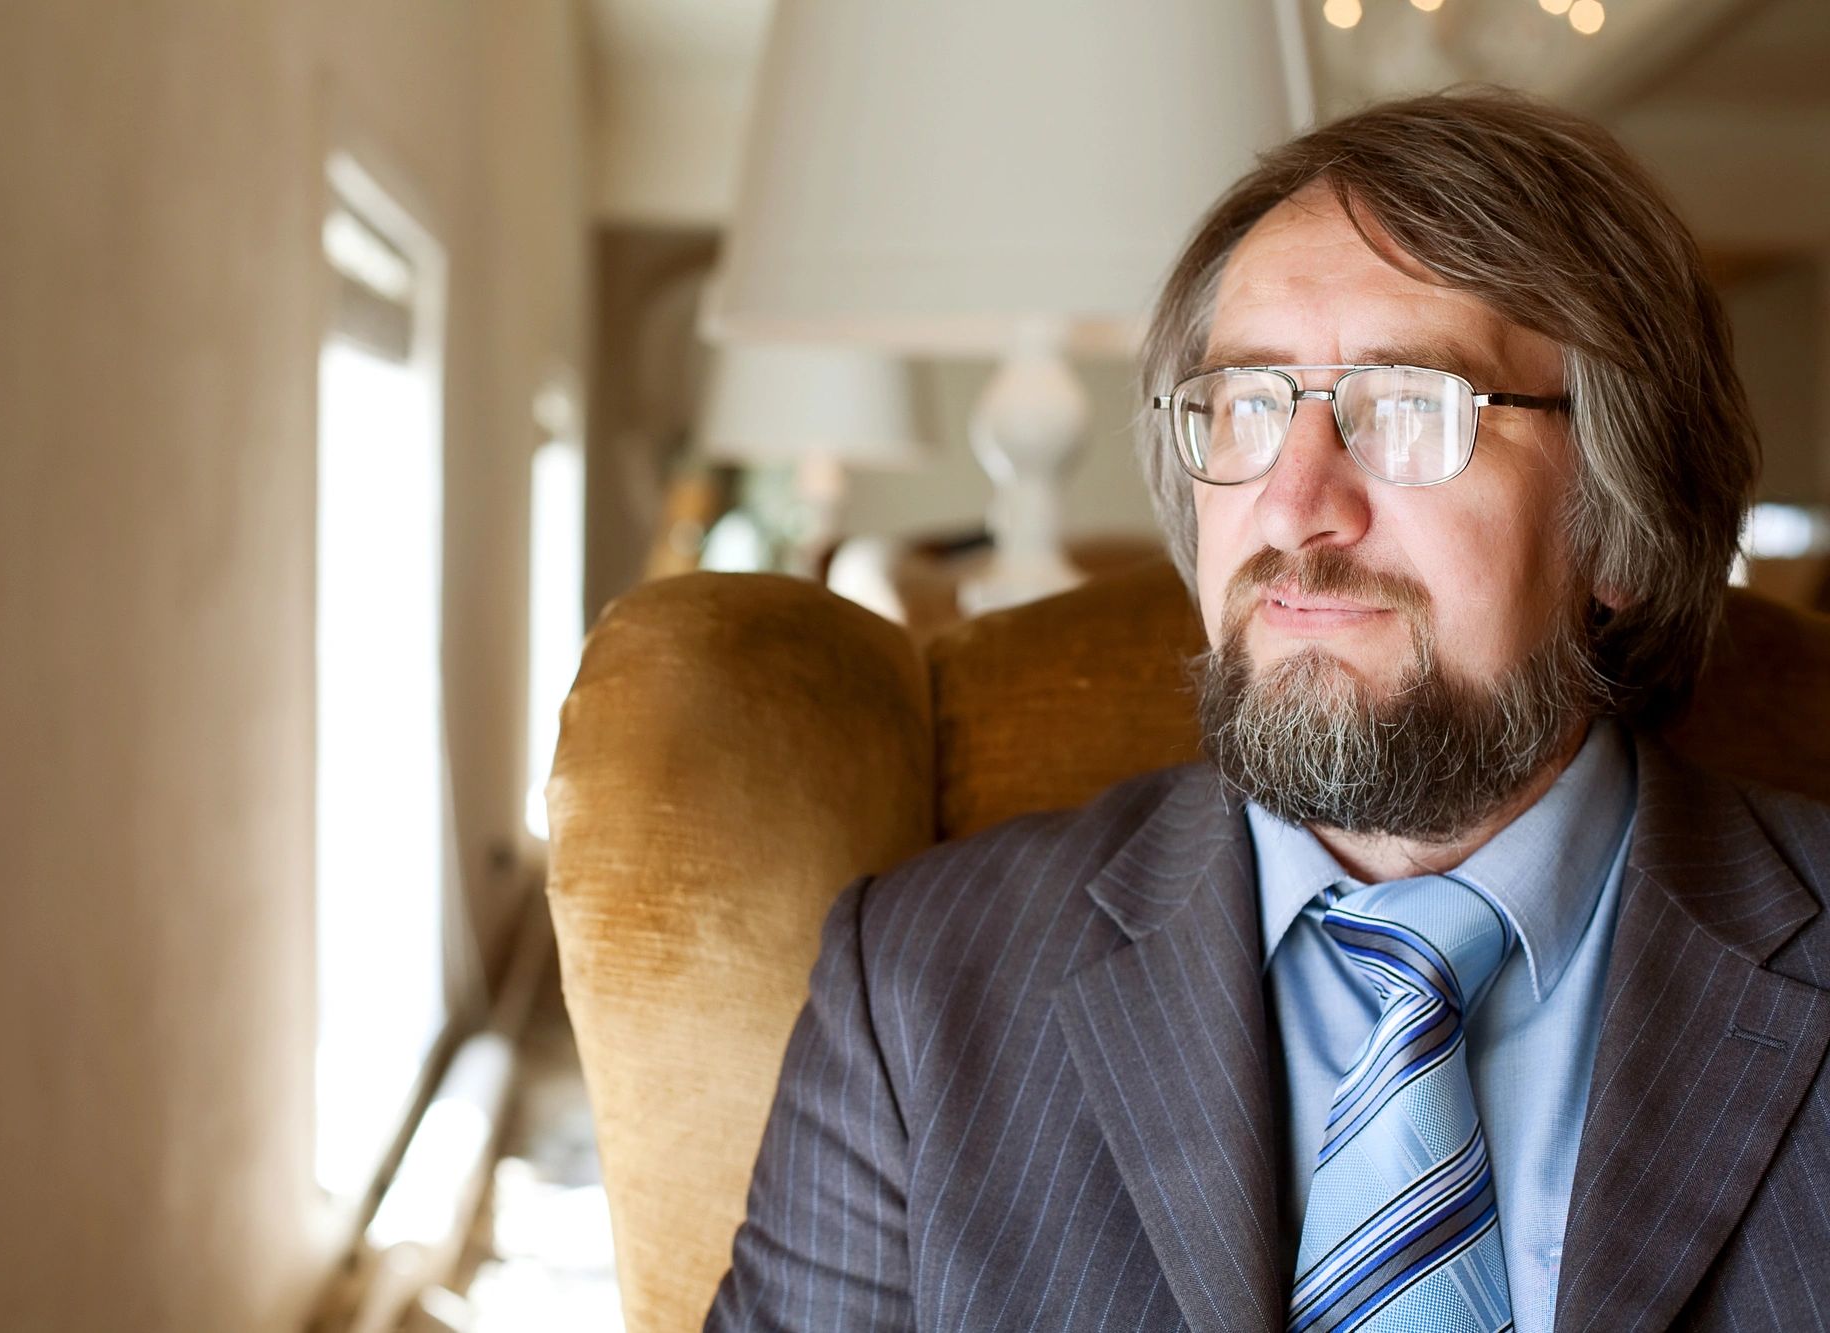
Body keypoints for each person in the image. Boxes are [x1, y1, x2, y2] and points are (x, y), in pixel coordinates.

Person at [705, 90, 1830, 1333]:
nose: (1296, 503)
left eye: (1410, 407)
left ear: (1617, 521)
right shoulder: (916, 987)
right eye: (1244, 404)